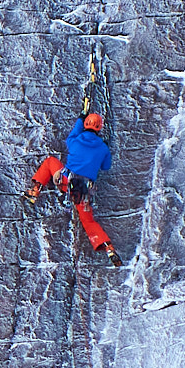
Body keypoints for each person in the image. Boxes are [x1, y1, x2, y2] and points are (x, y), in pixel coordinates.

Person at [25, 112, 120, 263]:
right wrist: (104, 149)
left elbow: (74, 133)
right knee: (88, 222)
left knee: (50, 161)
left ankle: (35, 190)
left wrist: (80, 118)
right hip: (83, 192)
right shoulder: (103, 148)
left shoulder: (74, 141)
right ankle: (108, 248)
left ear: (86, 125)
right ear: (99, 128)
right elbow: (106, 167)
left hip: (65, 182)